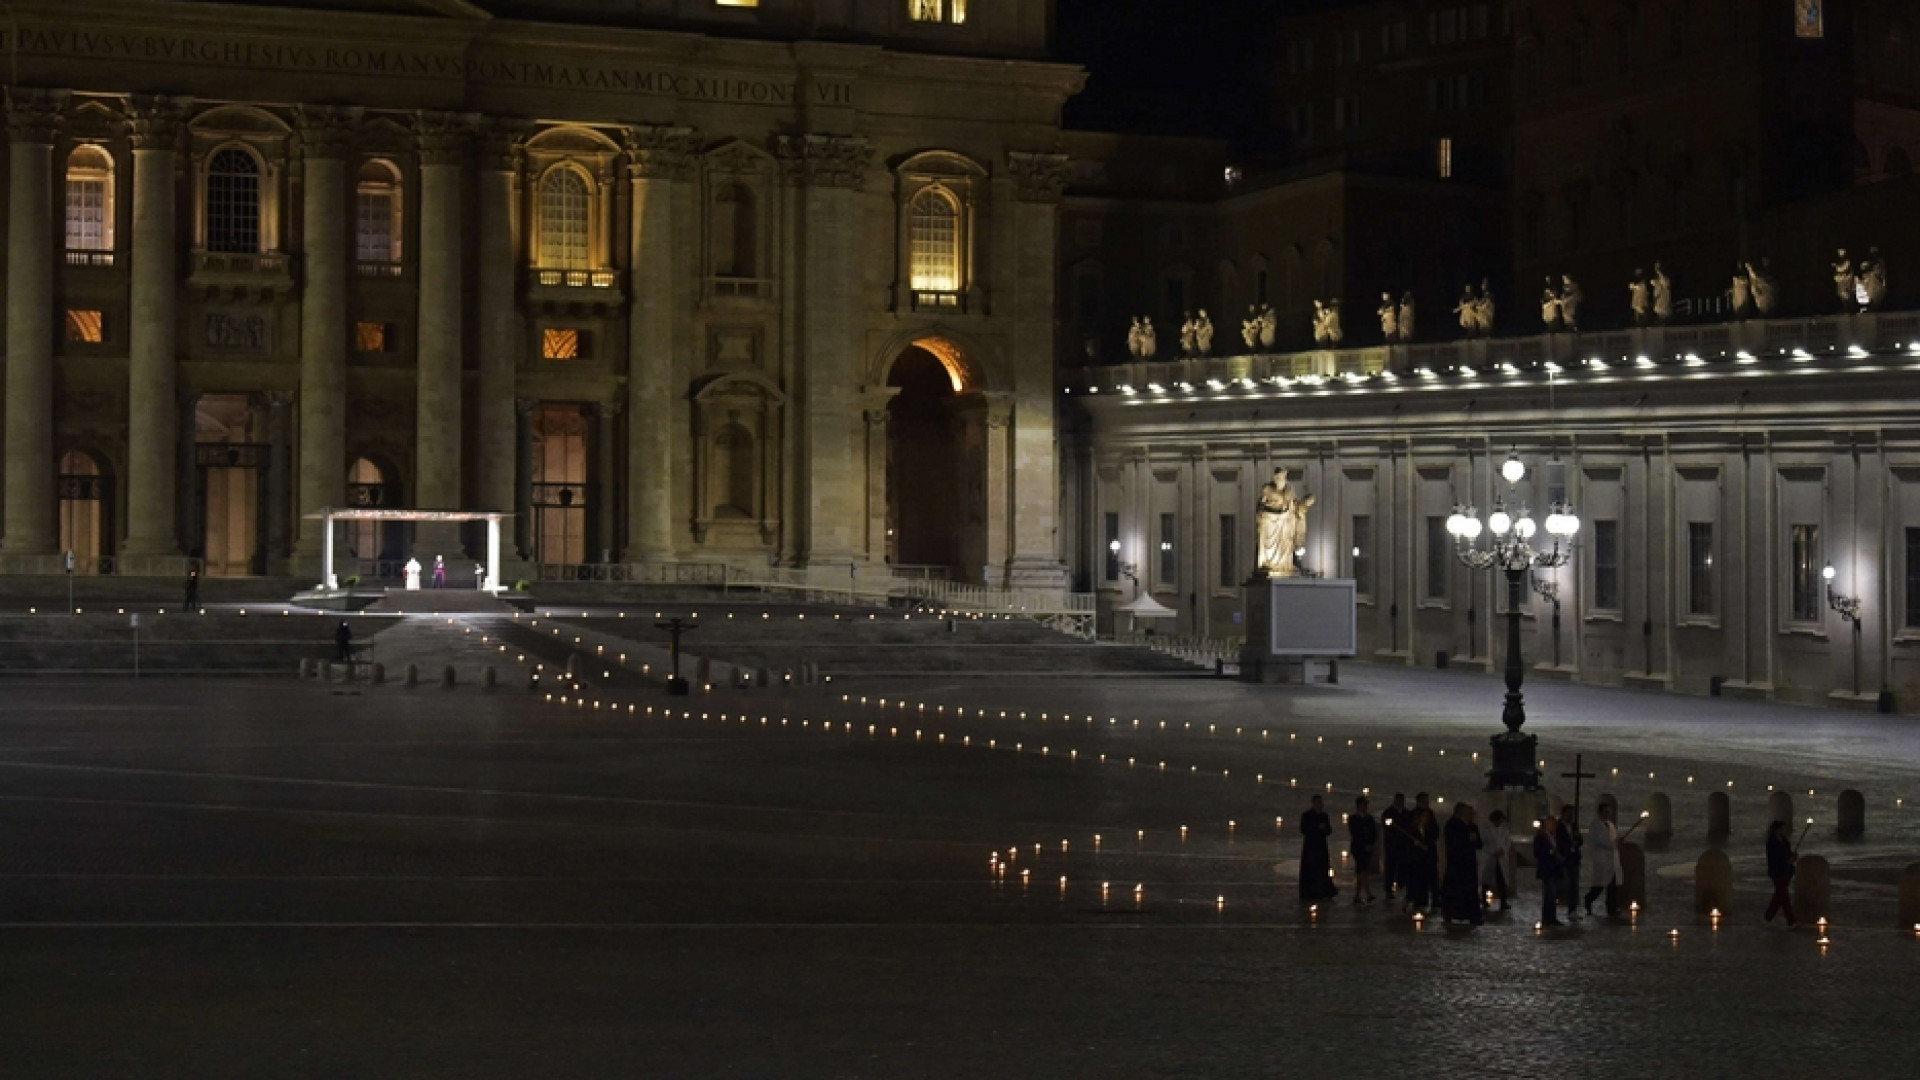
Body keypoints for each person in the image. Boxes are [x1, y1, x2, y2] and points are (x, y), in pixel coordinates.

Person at [1441, 804, 1484, 926]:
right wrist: (1467, 839)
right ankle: (1452, 913)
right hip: (1456, 864)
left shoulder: (1473, 826)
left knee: (1470, 890)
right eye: (1470, 813)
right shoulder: (1452, 825)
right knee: (1455, 890)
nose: (1472, 815)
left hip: (1469, 864)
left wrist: (1474, 840)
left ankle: (1472, 915)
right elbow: (1453, 844)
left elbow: (1479, 844)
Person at [1584, 802, 1623, 917]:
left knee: (1612, 885)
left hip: (1612, 859)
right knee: (1600, 884)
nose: (1608, 814)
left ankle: (1611, 907)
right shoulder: (1595, 826)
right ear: (1600, 812)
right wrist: (1614, 843)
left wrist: (1618, 842)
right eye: (1605, 812)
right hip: (1602, 859)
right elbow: (1600, 841)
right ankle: (1589, 899)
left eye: (1609, 812)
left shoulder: (1611, 825)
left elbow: (1614, 839)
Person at [1299, 795, 1339, 902]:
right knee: (1310, 869)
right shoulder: (1307, 815)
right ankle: (1310, 891)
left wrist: (1325, 828)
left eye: (1321, 802)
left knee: (1322, 869)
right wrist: (1317, 827)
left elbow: (1329, 830)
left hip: (1321, 846)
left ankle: (1323, 890)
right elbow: (1303, 829)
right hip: (1310, 847)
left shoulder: (1324, 816)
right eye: (1318, 802)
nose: (1320, 804)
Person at [1401, 807, 1436, 913]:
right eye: (1424, 816)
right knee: (1414, 883)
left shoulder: (1428, 831)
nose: (1426, 819)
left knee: (1424, 883)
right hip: (1414, 861)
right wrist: (1414, 845)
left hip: (1425, 861)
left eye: (1427, 817)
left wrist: (1426, 848)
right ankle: (1411, 902)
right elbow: (1406, 846)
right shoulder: (1411, 831)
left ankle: (1422, 904)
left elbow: (1430, 845)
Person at [1764, 820, 1798, 927]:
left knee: (1780, 895)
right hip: (1777, 871)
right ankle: (1791, 921)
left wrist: (1793, 856)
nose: (1785, 830)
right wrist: (1787, 860)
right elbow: (1774, 858)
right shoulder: (1771, 842)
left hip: (1787, 871)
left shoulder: (1784, 841)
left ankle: (1768, 918)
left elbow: (1787, 853)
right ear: (1777, 830)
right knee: (1783, 896)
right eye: (1783, 828)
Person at [1479, 808, 1513, 912]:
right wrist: (1493, 852)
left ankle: (1503, 902)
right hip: (1490, 857)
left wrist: (1503, 850)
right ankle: (1484, 901)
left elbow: (1508, 841)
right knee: (1486, 881)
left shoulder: (1504, 830)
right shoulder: (1486, 830)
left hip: (1501, 857)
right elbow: (1483, 844)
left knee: (1501, 880)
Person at [1534, 816, 1565, 927]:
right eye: (1551, 824)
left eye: (1554, 824)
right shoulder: (1541, 837)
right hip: (1547, 869)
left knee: (1553, 894)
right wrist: (1551, 852)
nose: (1553, 827)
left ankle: (1551, 917)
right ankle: (1547, 918)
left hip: (1555, 868)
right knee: (1549, 893)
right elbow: (1537, 853)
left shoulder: (1557, 837)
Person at [1348, 796, 1379, 904]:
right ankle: (1368, 892)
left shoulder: (1370, 818)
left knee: (1362, 870)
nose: (1365, 807)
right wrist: (1364, 844)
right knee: (1362, 869)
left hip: (1368, 848)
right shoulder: (1353, 819)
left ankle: (1357, 894)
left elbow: (1374, 833)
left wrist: (1371, 844)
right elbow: (1355, 834)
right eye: (1363, 805)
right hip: (1358, 848)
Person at [1413, 793, 1441, 911]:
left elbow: (1435, 832)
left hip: (1430, 854)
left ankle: (1435, 900)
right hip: (1418, 857)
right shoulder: (1413, 816)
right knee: (1420, 879)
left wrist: (1428, 843)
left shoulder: (1431, 817)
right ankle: (1420, 901)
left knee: (1433, 878)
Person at [1381, 793, 1410, 900]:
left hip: (1404, 845)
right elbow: (1386, 827)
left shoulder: (1407, 813)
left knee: (1404, 866)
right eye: (1398, 800)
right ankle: (1389, 890)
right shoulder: (1388, 813)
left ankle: (1402, 885)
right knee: (1390, 868)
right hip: (1392, 845)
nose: (1400, 802)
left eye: (1402, 800)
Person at [1557, 804, 1584, 920]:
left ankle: (1572, 910)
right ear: (1563, 814)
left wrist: (1577, 839)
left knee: (1574, 885)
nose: (1570, 817)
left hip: (1574, 859)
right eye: (1569, 814)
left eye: (1572, 815)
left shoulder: (1574, 826)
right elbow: (1558, 841)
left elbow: (1580, 840)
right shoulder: (1558, 826)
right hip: (1564, 858)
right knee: (1563, 884)